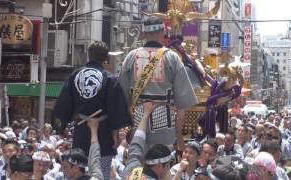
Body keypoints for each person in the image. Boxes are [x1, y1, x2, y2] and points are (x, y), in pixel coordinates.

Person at [54, 41, 133, 179]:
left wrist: (62, 126)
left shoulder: (75, 75)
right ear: (105, 58)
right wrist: (115, 133)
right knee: (101, 171)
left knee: (78, 167)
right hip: (103, 129)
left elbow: (65, 103)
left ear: (88, 56)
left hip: (82, 128)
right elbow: (115, 109)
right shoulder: (109, 78)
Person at [119, 16, 198, 147]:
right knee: (161, 163)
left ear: (143, 34)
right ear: (163, 33)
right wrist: (178, 135)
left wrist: (132, 123)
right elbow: (182, 105)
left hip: (138, 117)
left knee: (138, 162)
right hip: (163, 119)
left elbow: (122, 98)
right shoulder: (172, 57)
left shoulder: (131, 57)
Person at [123, 102, 172, 179]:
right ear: (159, 165)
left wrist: (145, 114)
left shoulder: (132, 169)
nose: (169, 169)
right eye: (168, 166)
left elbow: (136, 145)